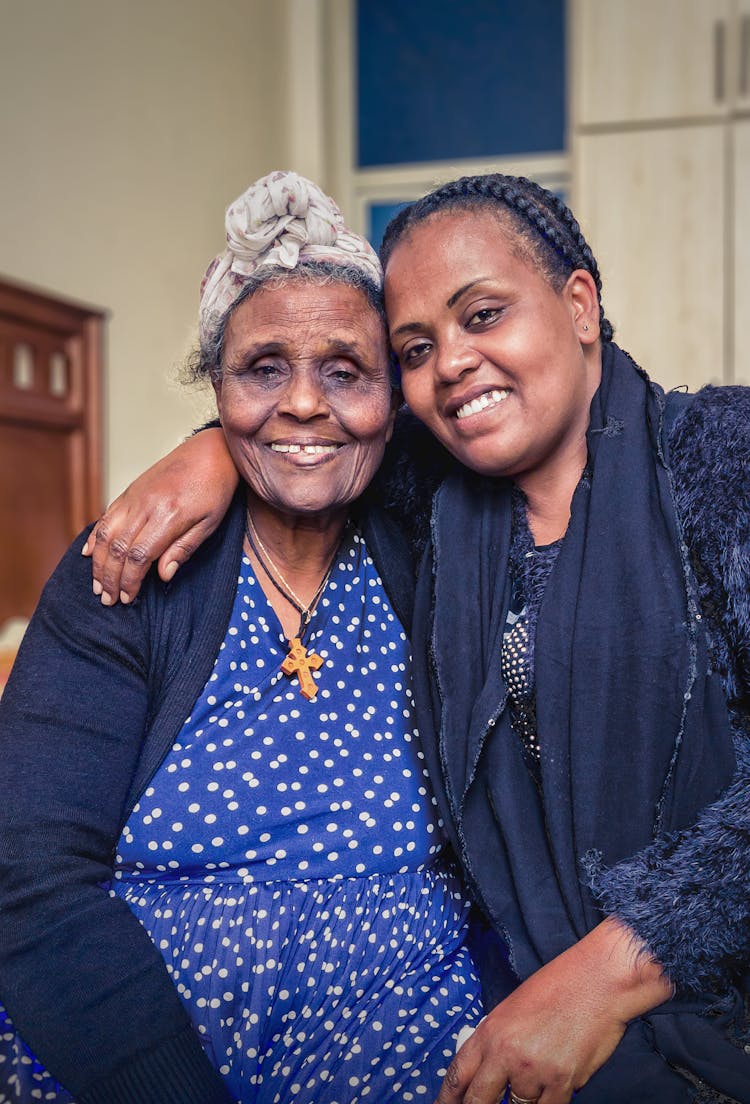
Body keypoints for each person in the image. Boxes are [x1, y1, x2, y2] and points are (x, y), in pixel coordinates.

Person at [91, 171, 750, 1104]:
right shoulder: (434, 500)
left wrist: (603, 977)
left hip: (698, 997)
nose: (452, 363)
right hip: (520, 986)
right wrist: (208, 452)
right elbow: (310, 427)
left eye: (483, 315)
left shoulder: (722, 455)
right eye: (415, 346)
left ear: (578, 304)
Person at [0, 170, 485, 1104]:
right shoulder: (128, 566)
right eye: (263, 370)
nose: (304, 404)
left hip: (404, 1030)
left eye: (345, 372)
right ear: (216, 390)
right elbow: (29, 877)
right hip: (131, 1044)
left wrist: (220, 448)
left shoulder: (441, 553)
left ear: (394, 401)